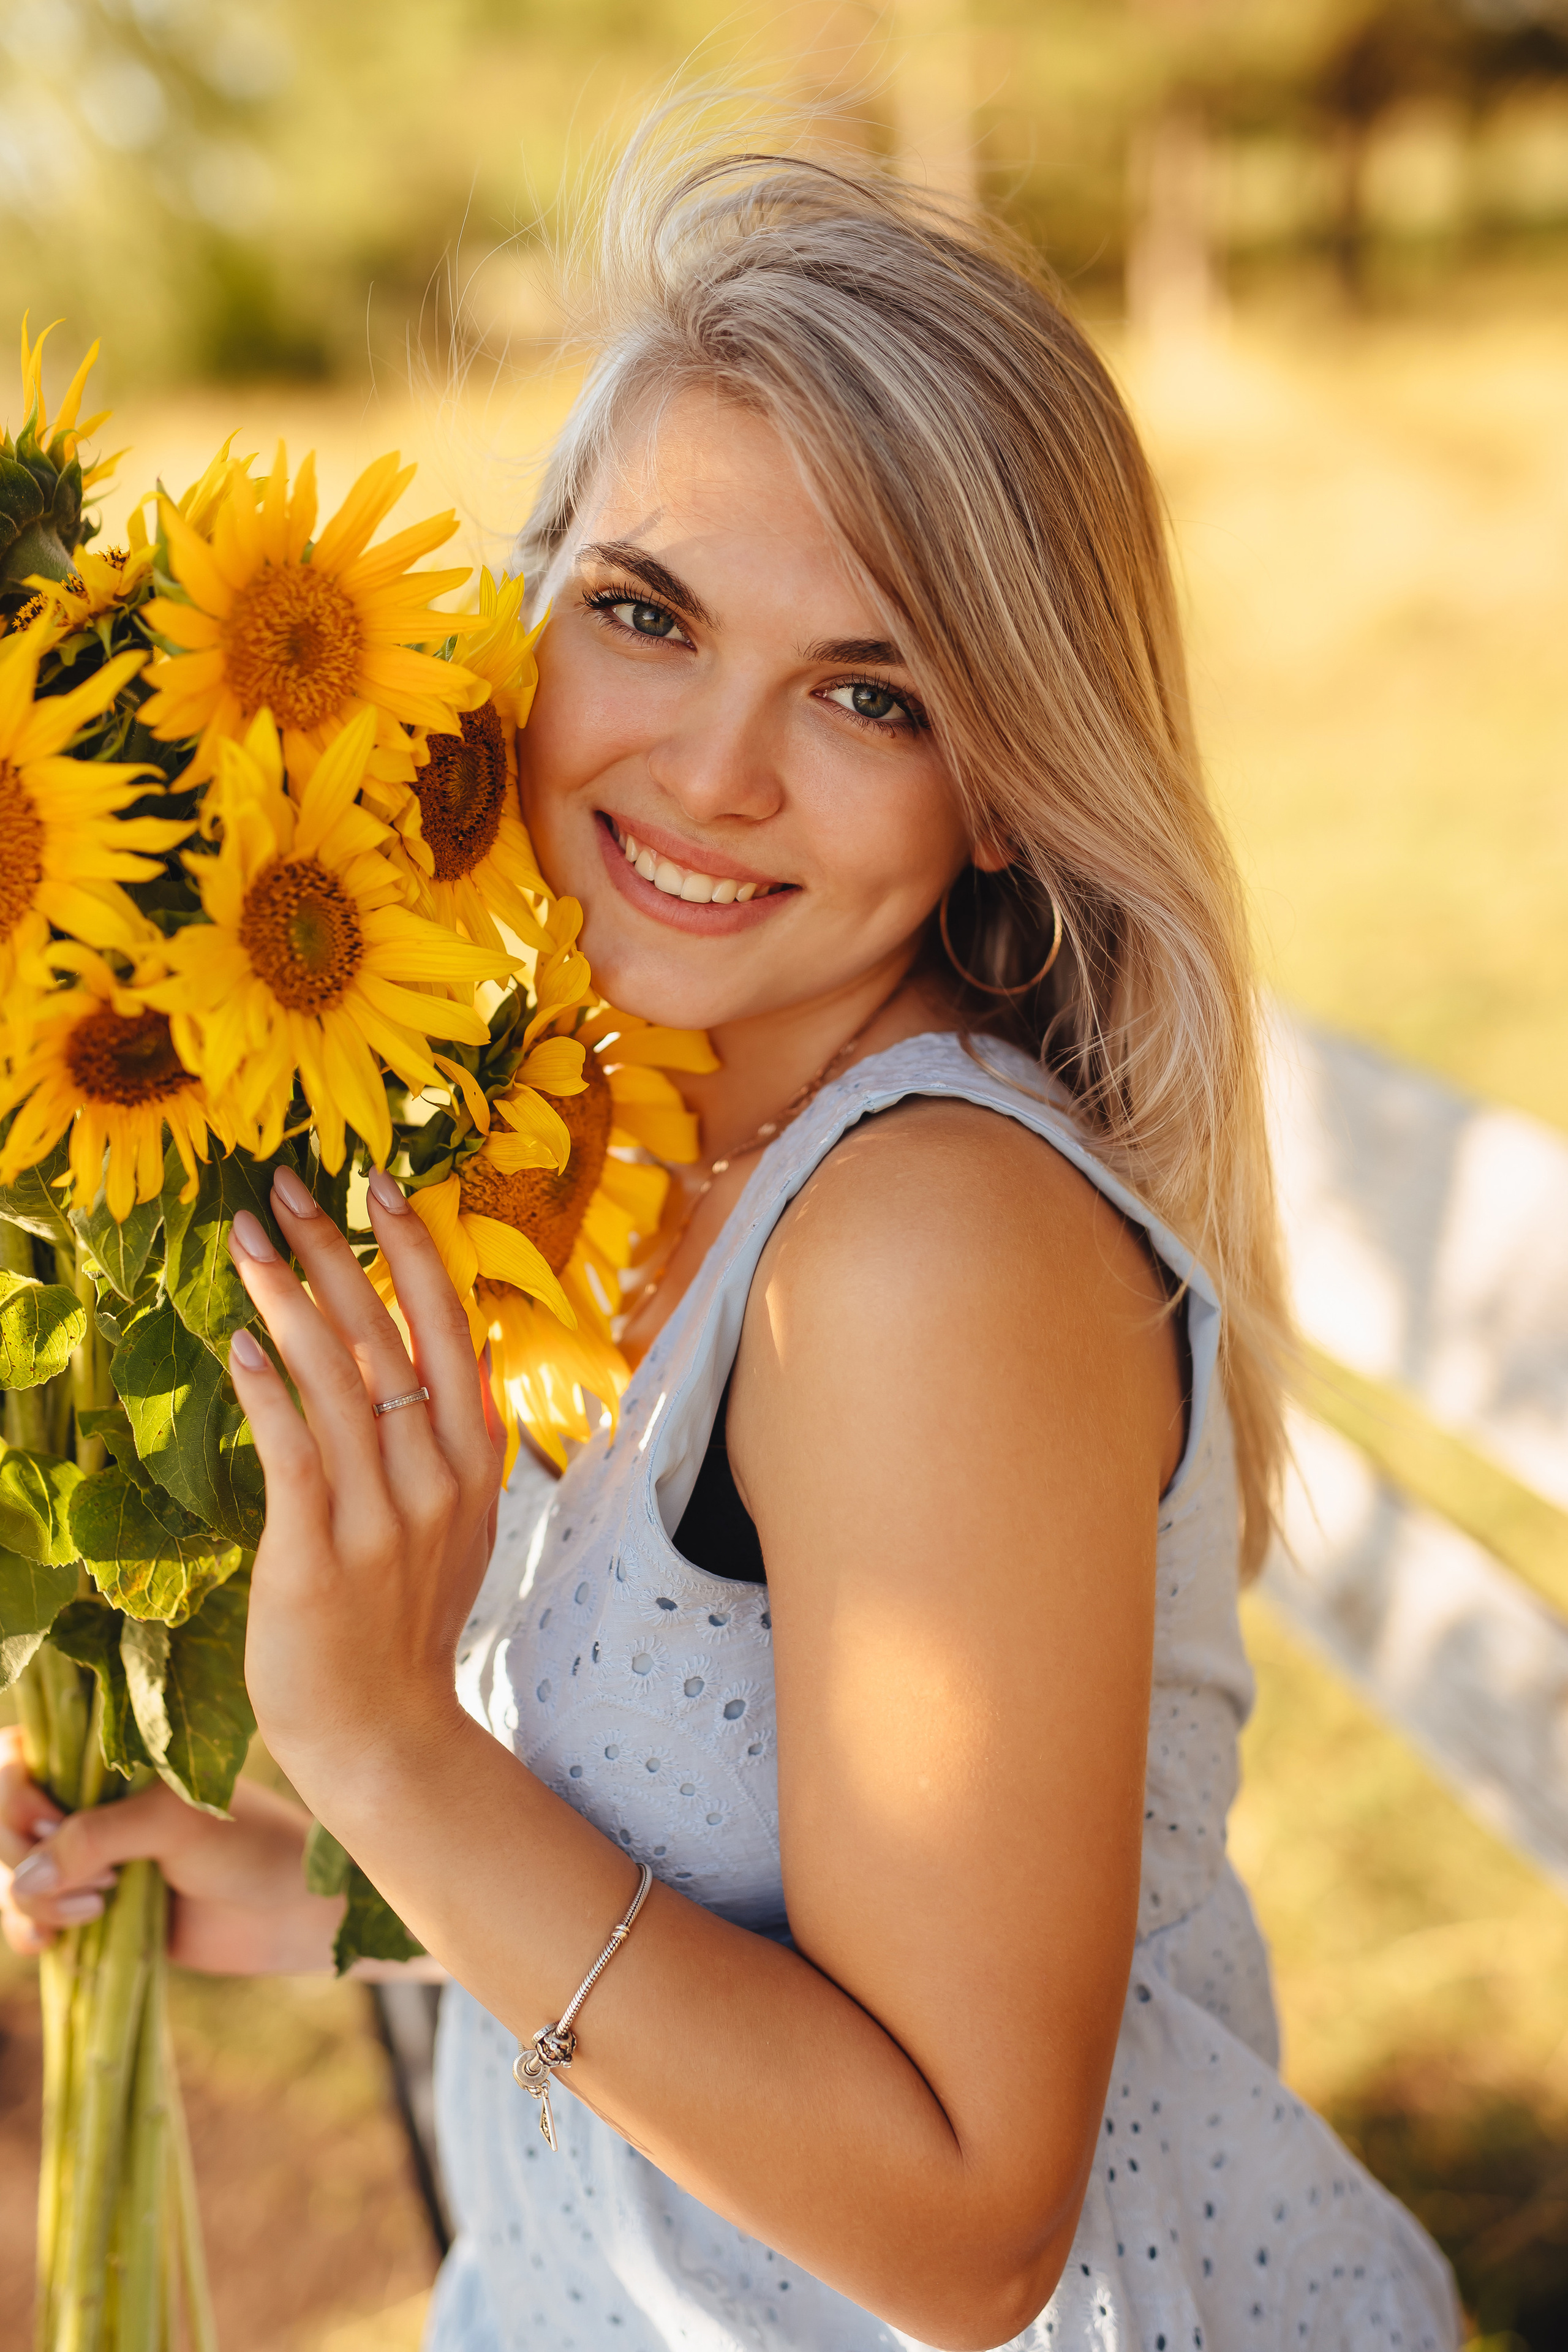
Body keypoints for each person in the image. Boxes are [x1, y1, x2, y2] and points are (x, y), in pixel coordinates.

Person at [1, 140, 1459, 2352]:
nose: (711, 769)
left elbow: (970, 2233)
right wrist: (344, 1884)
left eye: (871, 693)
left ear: (1004, 786)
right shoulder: (630, 1139)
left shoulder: (922, 1252)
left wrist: (390, 1755)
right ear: (531, 605)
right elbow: (731, 1883)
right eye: (648, 613)